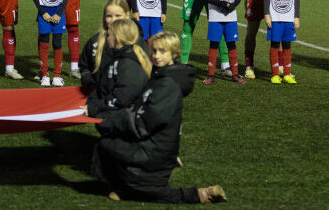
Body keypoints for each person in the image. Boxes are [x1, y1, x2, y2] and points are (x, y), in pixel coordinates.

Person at [90, 31, 227, 204]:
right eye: (154, 51)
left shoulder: (168, 84)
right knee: (107, 145)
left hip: (156, 150)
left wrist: (109, 121)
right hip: (157, 144)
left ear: (174, 53)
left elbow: (145, 122)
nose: (156, 56)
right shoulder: (162, 75)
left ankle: (201, 195)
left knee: (152, 191)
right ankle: (127, 188)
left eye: (162, 51)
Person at [85, 18, 151, 119]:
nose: (107, 38)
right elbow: (103, 85)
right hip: (116, 118)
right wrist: (92, 103)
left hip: (123, 122)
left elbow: (123, 97)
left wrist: (96, 107)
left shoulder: (128, 63)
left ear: (117, 38)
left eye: (109, 35)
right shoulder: (118, 57)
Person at [79, 0, 148, 88]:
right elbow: (84, 68)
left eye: (118, 16)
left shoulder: (137, 42)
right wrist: (92, 82)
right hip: (99, 97)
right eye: (109, 16)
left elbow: (144, 72)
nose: (113, 20)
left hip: (126, 97)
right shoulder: (94, 42)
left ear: (127, 15)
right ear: (104, 17)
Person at [201, 0, 244, 84]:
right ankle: (210, 75)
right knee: (214, 44)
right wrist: (222, 4)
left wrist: (232, 6)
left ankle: (235, 74)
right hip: (215, 17)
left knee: (231, 44)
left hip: (231, 17)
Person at [263, 0, 301, 84]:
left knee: (287, 45)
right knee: (274, 44)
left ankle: (287, 73)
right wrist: (267, 15)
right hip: (275, 18)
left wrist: (296, 17)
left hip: (289, 18)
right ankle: (275, 74)